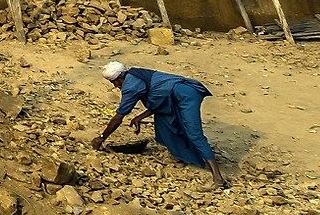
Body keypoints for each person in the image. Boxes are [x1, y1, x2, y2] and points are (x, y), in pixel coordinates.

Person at [95, 60, 226, 187]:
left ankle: (217, 177)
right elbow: (160, 97)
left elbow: (119, 117)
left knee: (194, 134)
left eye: (115, 82)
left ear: (120, 77)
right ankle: (184, 154)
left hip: (186, 95)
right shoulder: (135, 73)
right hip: (175, 95)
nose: (115, 86)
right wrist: (140, 117)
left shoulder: (131, 86)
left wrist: (102, 137)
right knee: (164, 122)